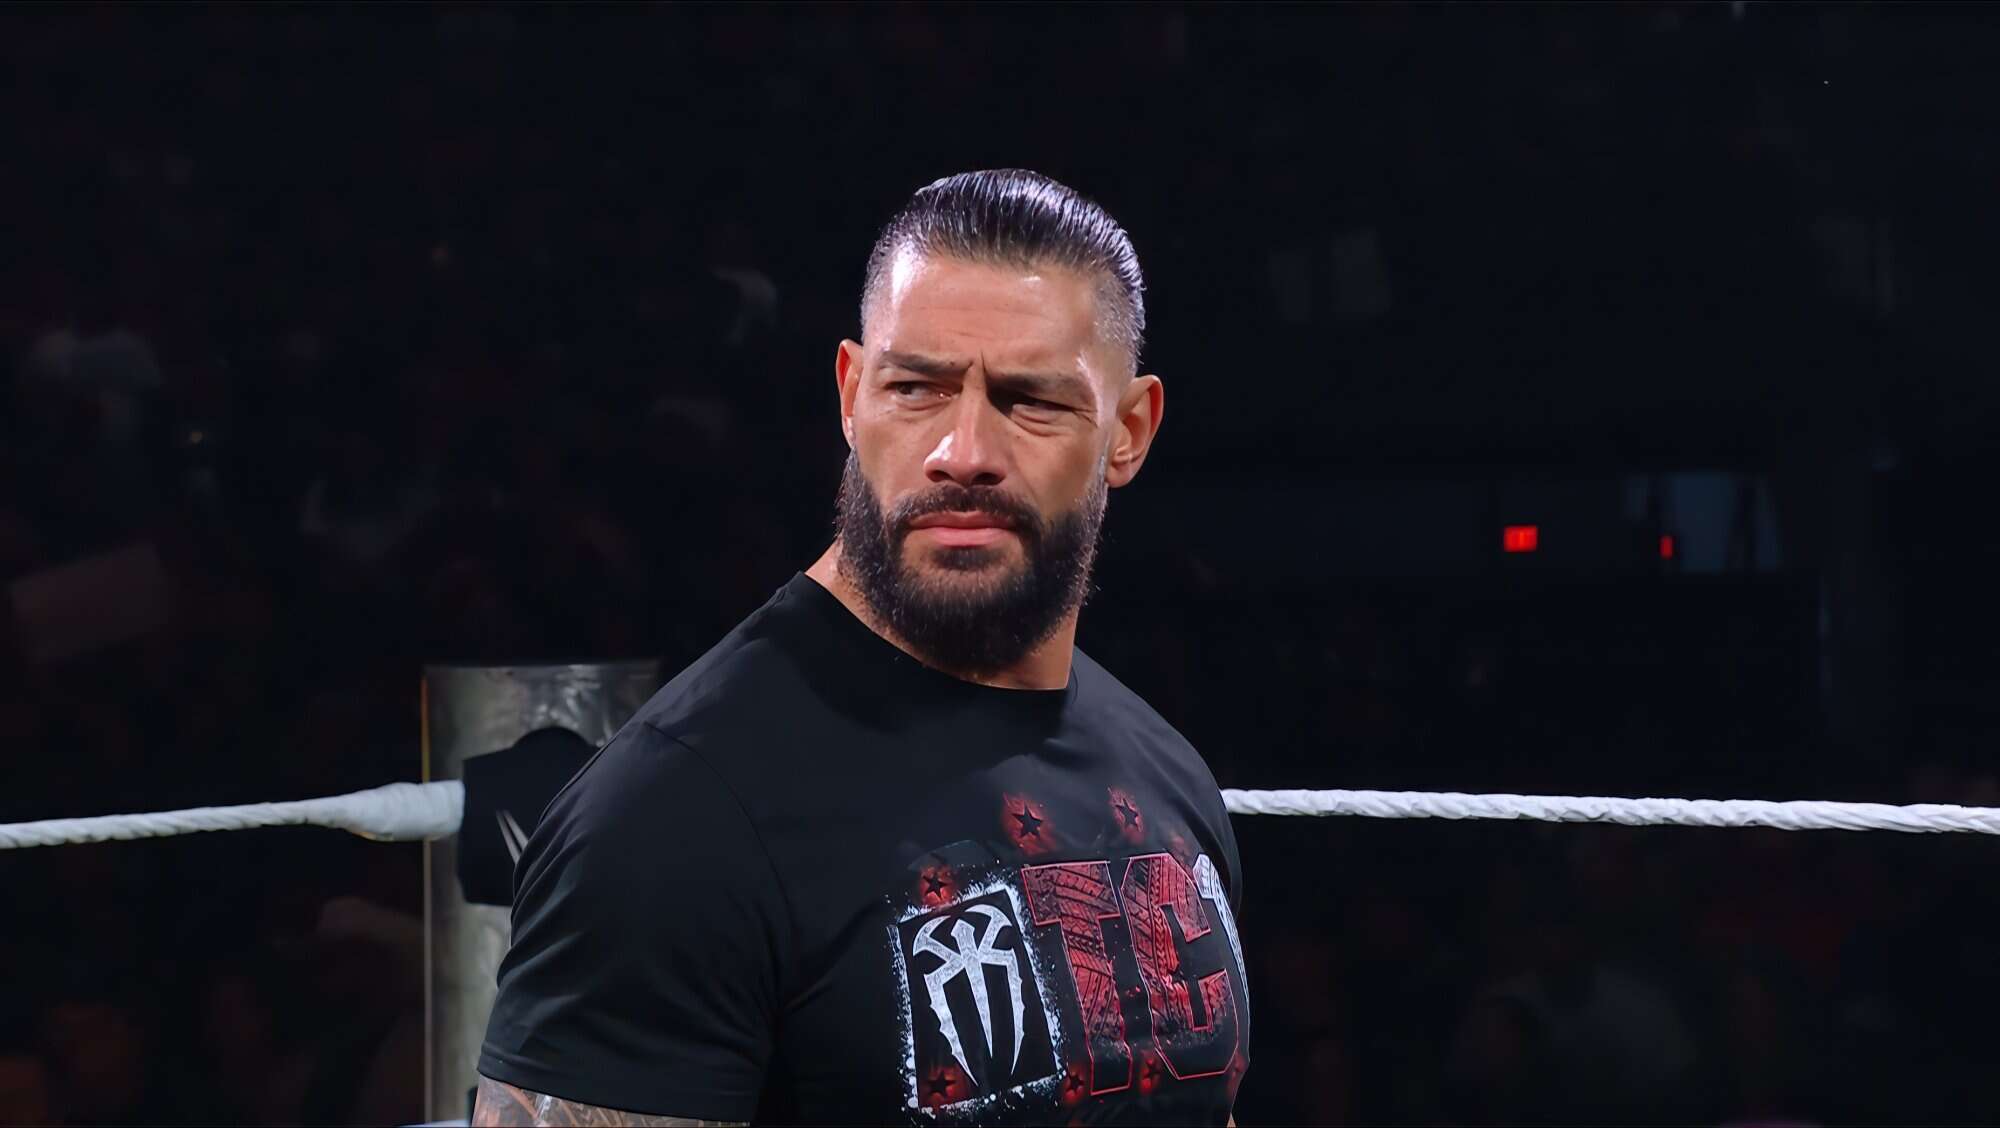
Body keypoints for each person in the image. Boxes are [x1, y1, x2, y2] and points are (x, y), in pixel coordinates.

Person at [474, 169, 1250, 1127]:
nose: (963, 452)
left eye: (1029, 401)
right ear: (851, 396)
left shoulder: (1166, 779)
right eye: (916, 389)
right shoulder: (674, 817)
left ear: (1128, 431)